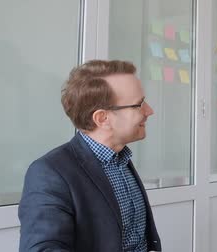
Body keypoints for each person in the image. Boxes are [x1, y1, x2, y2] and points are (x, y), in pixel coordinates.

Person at [19, 60, 162, 252]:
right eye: (139, 104)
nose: (149, 111)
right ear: (102, 118)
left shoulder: (121, 159)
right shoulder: (49, 173)